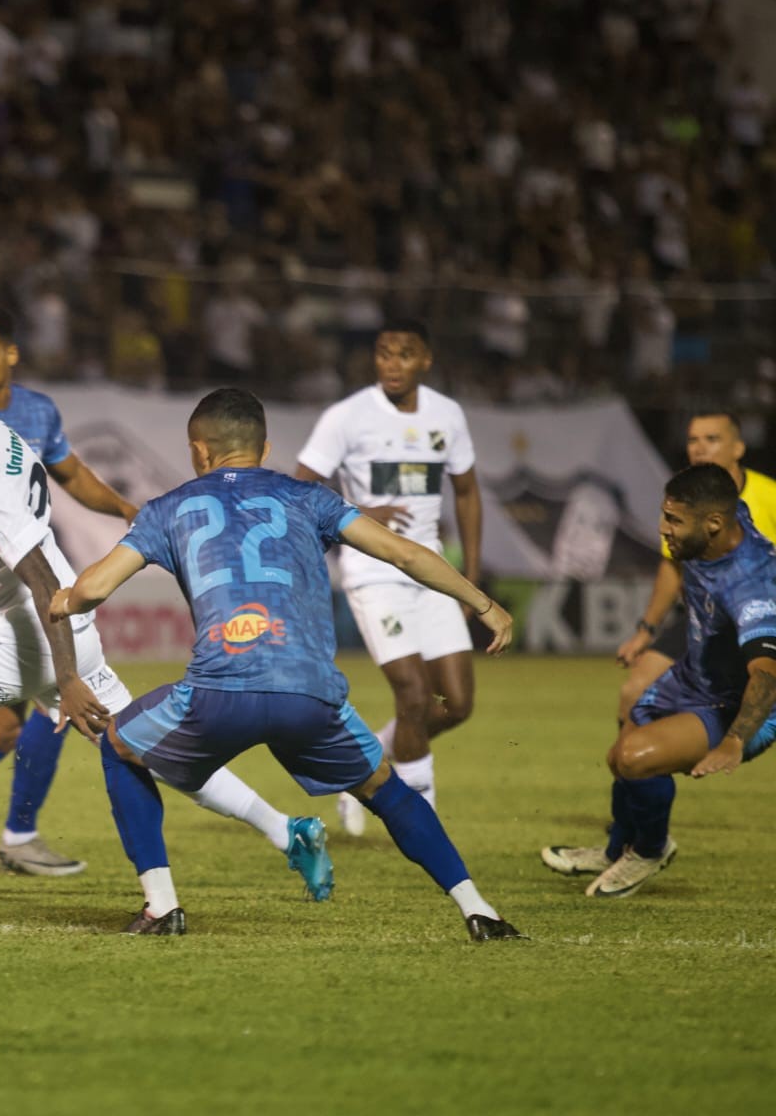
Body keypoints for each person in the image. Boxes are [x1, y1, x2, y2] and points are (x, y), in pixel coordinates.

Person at [0, 361, 334, 908]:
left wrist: (66, 679)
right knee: (149, 747)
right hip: (69, 630)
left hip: (19, 641)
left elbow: (43, 578)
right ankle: (285, 829)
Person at [53, 388, 525, 941]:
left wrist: (60, 599)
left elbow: (95, 588)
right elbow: (404, 553)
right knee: (385, 790)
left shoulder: (168, 508)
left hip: (218, 695)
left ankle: (161, 907)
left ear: (198, 452)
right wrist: (484, 605)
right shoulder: (309, 499)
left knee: (119, 744)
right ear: (265, 446)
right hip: (308, 696)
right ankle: (479, 909)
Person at [540, 464, 776, 898]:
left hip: (737, 707)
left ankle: (648, 850)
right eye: (665, 515)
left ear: (712, 524)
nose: (662, 529)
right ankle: (618, 850)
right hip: (692, 679)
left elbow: (766, 673)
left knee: (635, 757)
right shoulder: (722, 522)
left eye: (673, 520)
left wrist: (735, 740)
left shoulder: (753, 586)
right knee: (620, 759)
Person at [295, 318, 482, 836]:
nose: (391, 364)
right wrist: (358, 512)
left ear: (426, 360)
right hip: (372, 571)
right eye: (382, 353)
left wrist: (470, 571)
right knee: (415, 697)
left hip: (431, 570)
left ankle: (370, 759)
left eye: (404, 354)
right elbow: (300, 489)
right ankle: (423, 823)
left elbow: (466, 492)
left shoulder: (448, 415)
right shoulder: (347, 417)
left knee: (458, 703)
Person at [613, 412, 776, 725]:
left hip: (760, 627)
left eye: (711, 439)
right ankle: (633, 770)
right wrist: (645, 631)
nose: (699, 448)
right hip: (704, 626)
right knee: (634, 692)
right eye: (693, 440)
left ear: (738, 448)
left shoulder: (768, 496)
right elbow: (672, 569)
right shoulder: (682, 501)